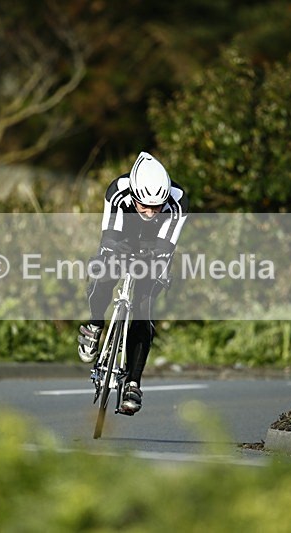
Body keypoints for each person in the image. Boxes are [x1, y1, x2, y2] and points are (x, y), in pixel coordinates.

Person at [78, 151, 189, 415]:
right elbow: (109, 235)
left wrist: (157, 263)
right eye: (144, 206)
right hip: (122, 236)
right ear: (134, 196)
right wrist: (113, 252)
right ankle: (95, 324)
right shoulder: (118, 190)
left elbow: (167, 244)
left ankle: (133, 383)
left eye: (156, 207)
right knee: (103, 274)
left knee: (143, 308)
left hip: (155, 246)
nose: (150, 213)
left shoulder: (178, 200)